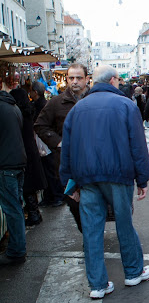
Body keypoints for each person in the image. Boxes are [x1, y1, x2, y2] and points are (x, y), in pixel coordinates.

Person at [59, 65, 149, 299]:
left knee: (91, 230)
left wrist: (68, 182)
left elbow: (67, 149)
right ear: (112, 80)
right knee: (124, 223)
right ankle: (133, 272)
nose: (120, 83)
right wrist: (142, 178)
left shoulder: (78, 109)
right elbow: (138, 145)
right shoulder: (126, 105)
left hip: (87, 178)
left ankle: (98, 285)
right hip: (118, 175)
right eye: (119, 80)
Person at [35, 63, 90, 232]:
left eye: (79, 78)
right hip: (68, 165)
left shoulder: (94, 99)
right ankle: (87, 233)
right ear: (66, 79)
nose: (75, 82)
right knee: (74, 203)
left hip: (93, 162)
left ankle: (92, 235)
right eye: (71, 78)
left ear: (87, 79)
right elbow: (40, 125)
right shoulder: (56, 103)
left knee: (94, 203)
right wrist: (58, 142)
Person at [10, 83, 47, 227]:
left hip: (25, 151)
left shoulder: (19, 114)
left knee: (28, 186)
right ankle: (34, 213)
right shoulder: (28, 112)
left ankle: (33, 214)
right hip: (31, 150)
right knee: (30, 187)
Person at [0, 85, 27, 265]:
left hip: (6, 164)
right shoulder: (12, 106)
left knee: (12, 208)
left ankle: (17, 250)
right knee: (16, 206)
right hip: (17, 161)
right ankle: (17, 248)